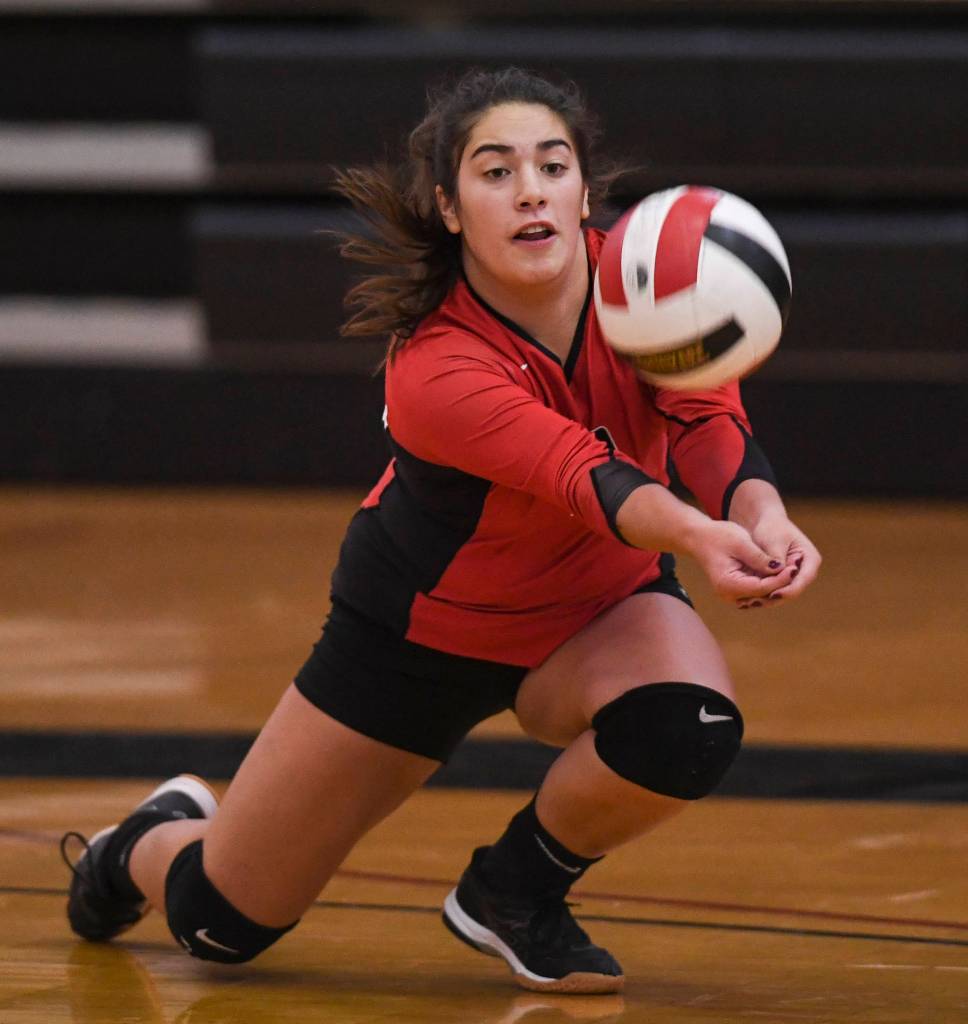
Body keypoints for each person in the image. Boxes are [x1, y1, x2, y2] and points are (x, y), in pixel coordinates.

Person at [61, 66, 821, 995]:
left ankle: (515, 892)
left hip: (595, 609)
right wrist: (704, 541)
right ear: (450, 207)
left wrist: (760, 514)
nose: (531, 188)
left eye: (553, 164)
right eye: (495, 171)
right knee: (220, 927)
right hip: (415, 636)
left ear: (586, 188)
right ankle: (142, 843)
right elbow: (584, 476)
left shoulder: (650, 275)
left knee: (689, 724)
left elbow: (706, 418)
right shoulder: (434, 364)